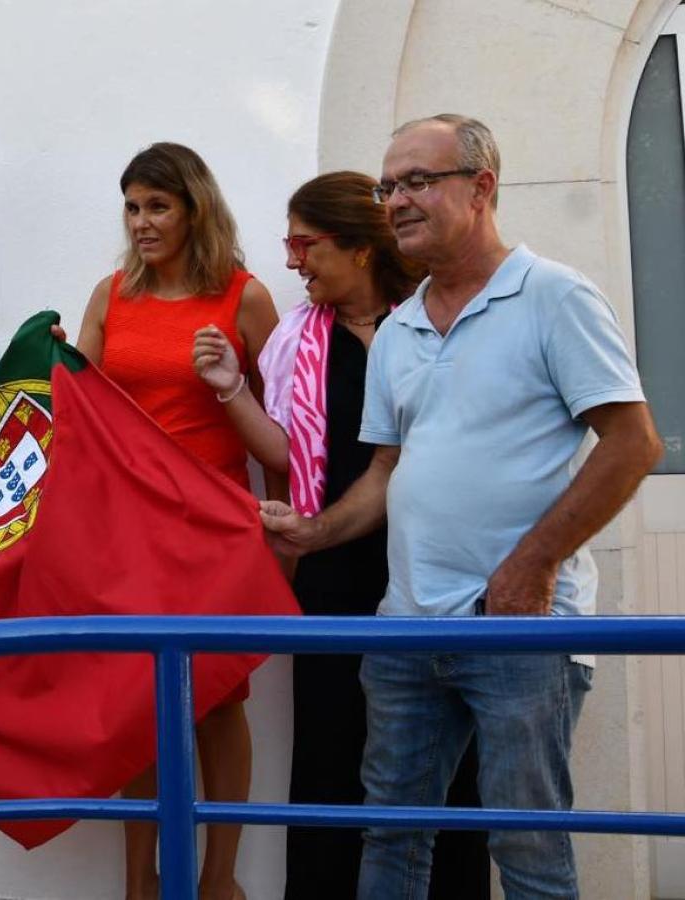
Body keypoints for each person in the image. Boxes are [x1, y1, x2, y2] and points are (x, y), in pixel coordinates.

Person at [261, 115, 663, 899]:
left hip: (518, 630)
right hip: (407, 629)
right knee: (392, 838)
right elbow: (386, 472)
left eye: (417, 181)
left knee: (527, 849)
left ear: (481, 188)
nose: (396, 201)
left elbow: (633, 442)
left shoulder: (554, 295)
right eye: (387, 187)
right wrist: (314, 532)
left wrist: (530, 567)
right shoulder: (402, 328)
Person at [192, 171, 489, 898]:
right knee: (332, 748)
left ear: (359, 249)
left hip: (433, 568)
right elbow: (283, 452)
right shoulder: (301, 337)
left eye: (305, 243)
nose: (292, 260)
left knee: (446, 758)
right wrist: (232, 388)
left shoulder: (430, 323)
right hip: (334, 564)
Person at [68, 142, 279, 900]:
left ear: (195, 208)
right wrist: (54, 362)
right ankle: (141, 885)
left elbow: (283, 432)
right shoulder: (110, 293)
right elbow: (77, 408)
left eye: (158, 206)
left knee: (219, 699)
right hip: (128, 530)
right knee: (140, 705)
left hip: (212, 529)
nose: (142, 221)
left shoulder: (244, 297)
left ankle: (220, 881)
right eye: (132, 206)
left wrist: (286, 541)